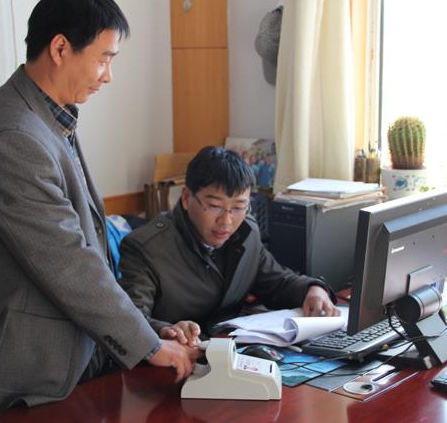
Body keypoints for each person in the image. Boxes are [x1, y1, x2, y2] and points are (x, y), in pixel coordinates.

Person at [0, 0, 197, 415]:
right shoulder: (11, 137)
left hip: (79, 359)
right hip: (31, 380)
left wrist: (149, 331)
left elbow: (89, 254)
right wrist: (147, 345)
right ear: (61, 48)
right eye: (103, 58)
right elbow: (69, 264)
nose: (108, 75)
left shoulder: (48, 120)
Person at [119, 146, 340, 346]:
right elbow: (129, 321)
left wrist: (312, 289)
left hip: (232, 350)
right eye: (215, 206)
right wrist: (166, 330)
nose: (226, 221)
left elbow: (276, 281)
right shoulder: (146, 248)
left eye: (238, 207)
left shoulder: (246, 233)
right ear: (186, 198)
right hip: (175, 358)